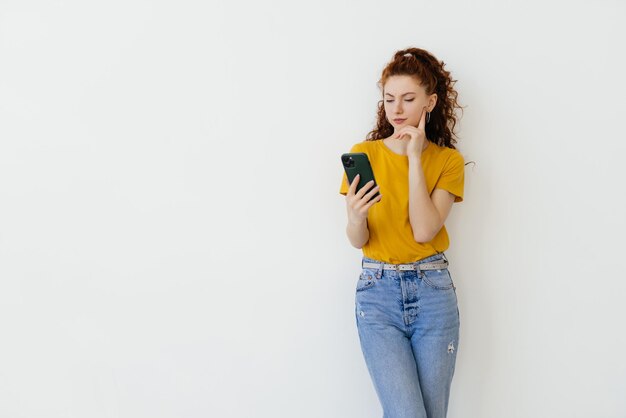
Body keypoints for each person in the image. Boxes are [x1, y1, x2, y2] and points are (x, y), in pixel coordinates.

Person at [339, 47, 467, 418]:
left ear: (430, 102)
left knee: (432, 413)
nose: (397, 109)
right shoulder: (365, 154)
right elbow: (358, 240)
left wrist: (414, 157)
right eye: (389, 99)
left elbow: (426, 229)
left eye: (408, 99)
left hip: (433, 292)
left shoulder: (446, 161)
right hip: (377, 294)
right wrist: (355, 217)